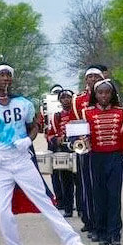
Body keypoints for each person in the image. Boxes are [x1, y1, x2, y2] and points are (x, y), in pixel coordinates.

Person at [0, 63, 92, 245]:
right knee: (2, 210)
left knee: (44, 201)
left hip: (21, 159)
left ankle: (73, 242)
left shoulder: (24, 103)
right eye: (1, 75)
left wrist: (28, 139)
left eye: (9, 74)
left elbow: (33, 126)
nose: (6, 78)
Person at [84, 79, 123, 245]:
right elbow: (81, 138)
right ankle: (101, 231)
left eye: (107, 92)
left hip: (114, 157)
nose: (104, 96)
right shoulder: (87, 113)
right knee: (99, 196)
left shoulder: (120, 113)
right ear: (95, 95)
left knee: (114, 196)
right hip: (96, 158)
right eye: (100, 93)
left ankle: (115, 233)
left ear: (112, 95)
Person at [72, 65, 106, 239]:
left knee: (104, 187)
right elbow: (75, 123)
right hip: (85, 148)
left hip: (105, 146)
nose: (93, 79)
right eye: (90, 77)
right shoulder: (78, 100)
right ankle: (91, 221)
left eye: (96, 76)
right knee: (87, 186)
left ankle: (105, 222)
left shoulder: (108, 95)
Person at [46, 89, 77, 217]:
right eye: (63, 97)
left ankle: (81, 208)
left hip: (77, 149)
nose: (66, 100)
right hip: (63, 151)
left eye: (68, 97)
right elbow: (50, 135)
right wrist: (56, 139)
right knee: (65, 181)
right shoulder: (56, 117)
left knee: (80, 181)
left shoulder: (78, 114)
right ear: (60, 100)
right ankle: (68, 208)